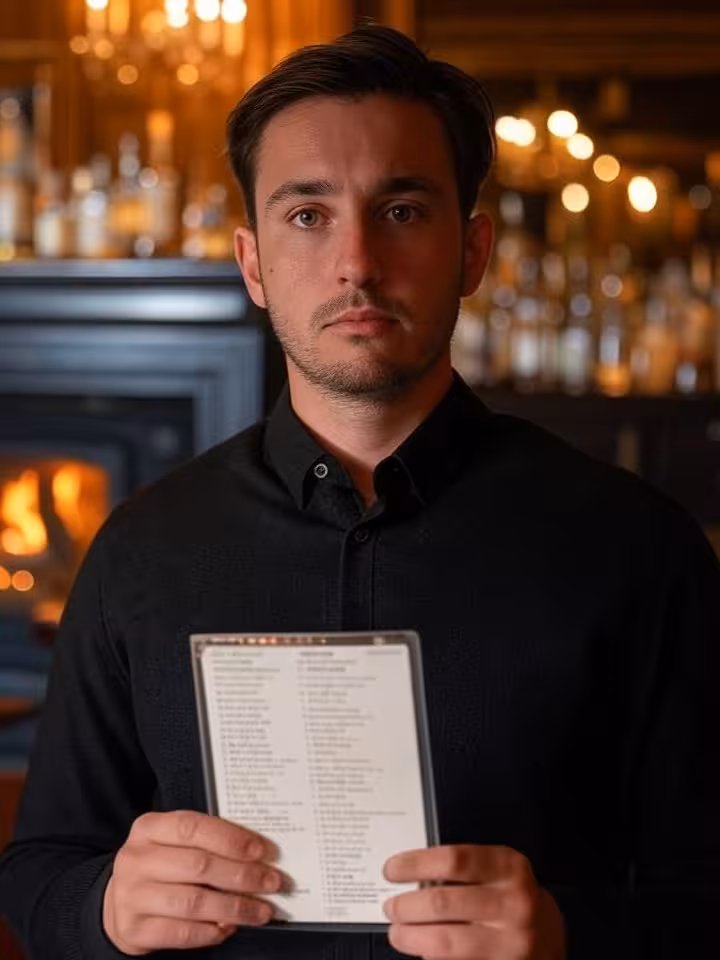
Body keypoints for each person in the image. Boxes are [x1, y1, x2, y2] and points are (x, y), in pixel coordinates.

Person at [1, 23, 719, 960]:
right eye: (308, 215)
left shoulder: (639, 550)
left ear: (472, 252)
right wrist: (102, 905)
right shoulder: (141, 546)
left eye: (404, 210)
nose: (356, 264)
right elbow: (39, 867)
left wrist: (567, 933)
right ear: (252, 263)